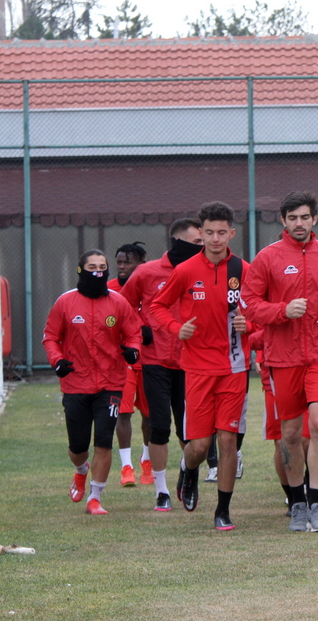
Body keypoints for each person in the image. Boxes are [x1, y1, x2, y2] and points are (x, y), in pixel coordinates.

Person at [243, 192, 318, 533]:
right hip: (283, 357)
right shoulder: (267, 258)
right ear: (283, 221)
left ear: (314, 219)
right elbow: (249, 303)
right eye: (293, 218)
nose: (299, 224)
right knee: (291, 432)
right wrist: (281, 311)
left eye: (305, 217)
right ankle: (297, 504)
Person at [149, 202, 253, 531]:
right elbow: (157, 306)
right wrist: (175, 329)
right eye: (209, 232)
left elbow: (257, 310)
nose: (215, 238)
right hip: (196, 369)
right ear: (201, 234)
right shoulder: (186, 271)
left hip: (235, 368)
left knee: (227, 442)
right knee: (198, 445)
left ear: (231, 234)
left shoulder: (242, 269)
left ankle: (222, 510)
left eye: (222, 232)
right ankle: (188, 469)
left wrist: (248, 325)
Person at [43, 249, 141, 515]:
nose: (98, 271)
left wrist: (133, 349)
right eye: (92, 266)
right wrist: (58, 361)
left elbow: (133, 333)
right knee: (78, 446)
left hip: (110, 382)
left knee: (104, 441)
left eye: (102, 266)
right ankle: (80, 470)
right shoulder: (65, 302)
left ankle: (95, 498)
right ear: (80, 270)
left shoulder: (118, 302)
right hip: (75, 384)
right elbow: (50, 336)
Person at [120, 219, 203, 511]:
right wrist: (139, 328)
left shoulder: (201, 271)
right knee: (158, 426)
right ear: (178, 241)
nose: (202, 247)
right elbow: (123, 304)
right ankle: (161, 491)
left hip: (190, 361)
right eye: (196, 242)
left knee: (190, 433)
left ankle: (187, 474)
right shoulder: (147, 272)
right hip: (154, 360)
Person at [107, 242, 153, 488]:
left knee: (149, 414)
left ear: (141, 264)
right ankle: (126, 467)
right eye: (119, 262)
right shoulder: (110, 290)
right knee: (123, 412)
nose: (122, 267)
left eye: (127, 262)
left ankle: (146, 460)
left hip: (149, 359)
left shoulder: (152, 287)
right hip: (123, 360)